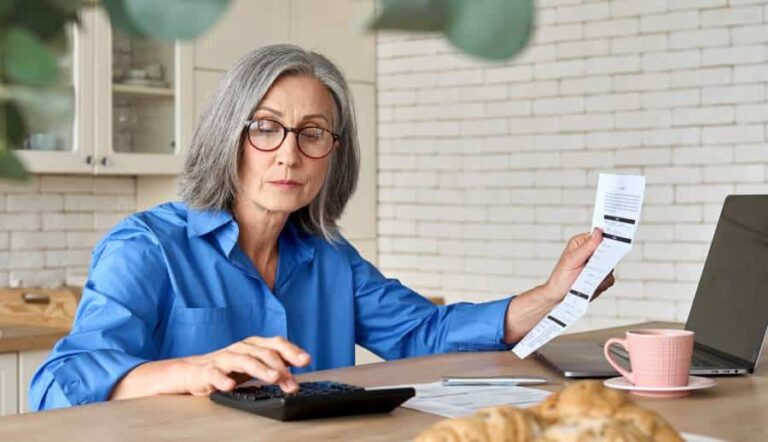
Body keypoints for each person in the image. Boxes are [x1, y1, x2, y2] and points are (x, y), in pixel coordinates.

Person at [29, 44, 614, 411]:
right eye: (265, 127)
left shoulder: (330, 257)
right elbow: (57, 386)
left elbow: (424, 335)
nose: (288, 154)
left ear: (333, 153)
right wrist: (192, 370)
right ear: (227, 138)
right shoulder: (147, 248)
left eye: (312, 133)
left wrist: (550, 295)